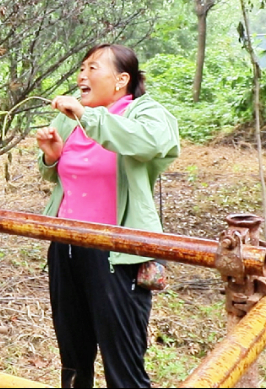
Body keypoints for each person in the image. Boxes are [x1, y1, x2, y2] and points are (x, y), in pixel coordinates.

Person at [35, 44, 179, 388]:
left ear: (121, 79)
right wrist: (52, 157)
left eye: (92, 68)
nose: (82, 76)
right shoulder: (69, 119)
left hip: (118, 253)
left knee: (123, 367)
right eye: (81, 68)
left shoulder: (144, 113)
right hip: (66, 249)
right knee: (73, 360)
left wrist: (86, 116)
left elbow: (148, 143)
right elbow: (60, 176)